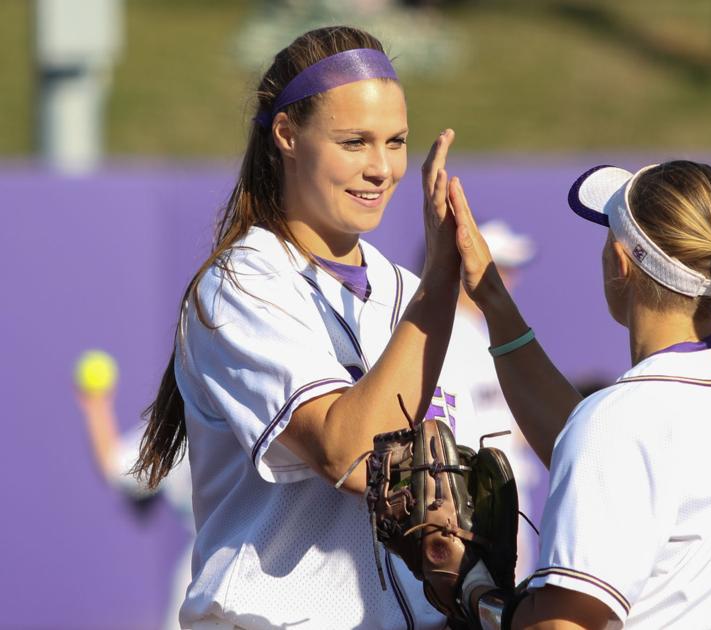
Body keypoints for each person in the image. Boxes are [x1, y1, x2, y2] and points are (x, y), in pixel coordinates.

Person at [133, 26, 471, 629]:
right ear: (287, 134)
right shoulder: (243, 283)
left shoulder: (406, 292)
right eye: (354, 141)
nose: (381, 168)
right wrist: (445, 281)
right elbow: (346, 453)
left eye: (396, 142)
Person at [444, 161, 711, 628]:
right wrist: (493, 300)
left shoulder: (623, 419)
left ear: (620, 261)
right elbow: (615, 467)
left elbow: (558, 625)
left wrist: (468, 590)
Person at [439, 220, 544, 581]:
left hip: (509, 493)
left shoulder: (483, 330)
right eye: (500, 269)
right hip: (478, 501)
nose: (508, 280)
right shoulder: (447, 333)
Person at [76, 383, 194, 630]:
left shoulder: (189, 411)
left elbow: (114, 464)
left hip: (206, 573)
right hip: (208, 571)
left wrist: (95, 401)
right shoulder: (186, 418)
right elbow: (118, 467)